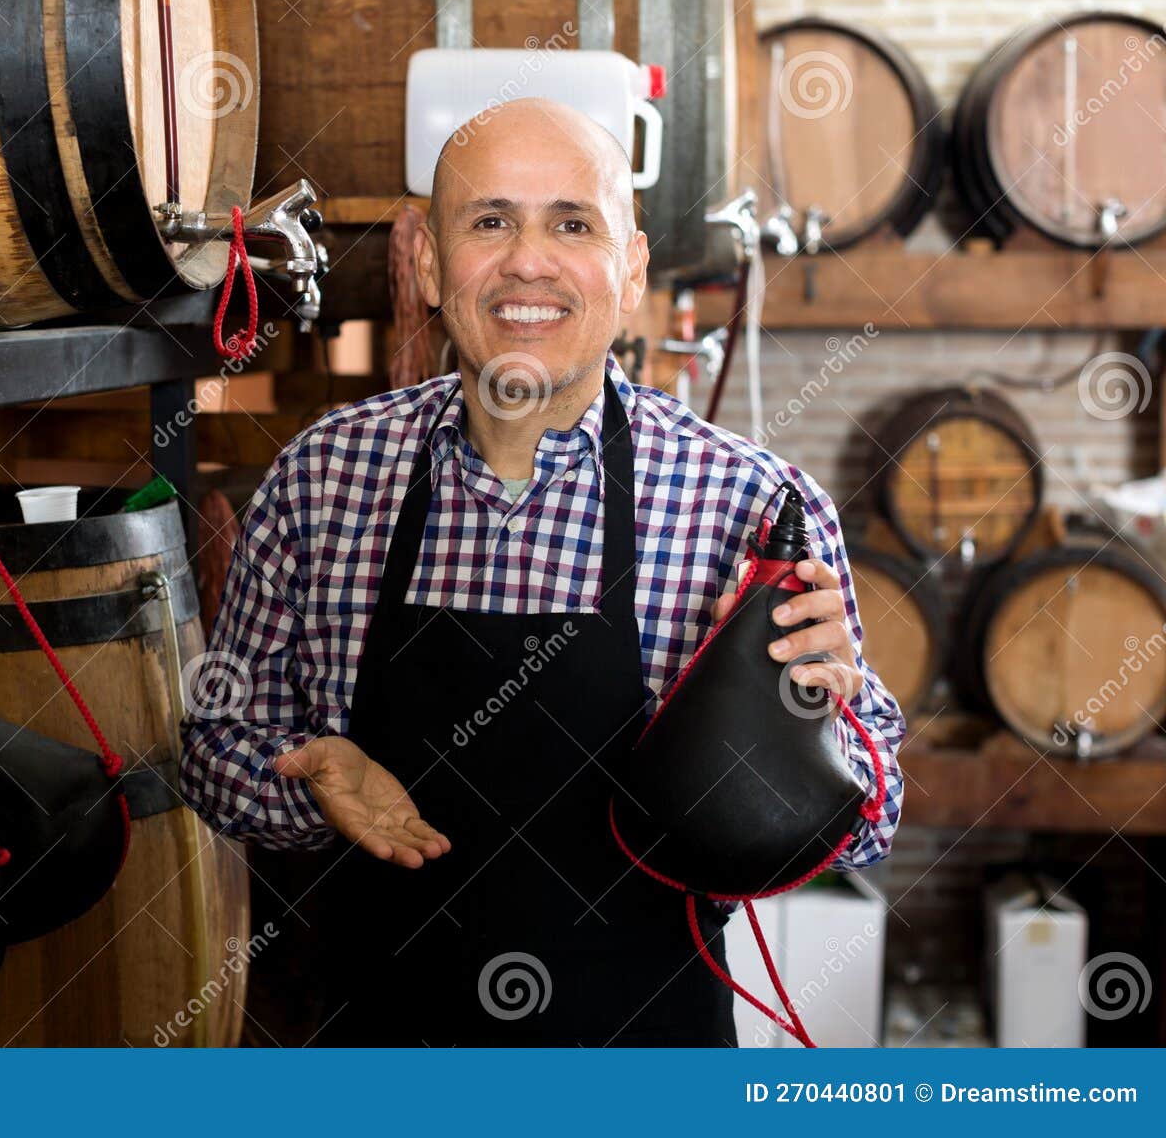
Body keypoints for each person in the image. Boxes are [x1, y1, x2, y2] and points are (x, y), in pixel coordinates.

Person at [180, 97, 904, 1046]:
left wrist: (811, 720)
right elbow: (211, 752)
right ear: (432, 266)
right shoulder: (324, 479)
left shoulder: (749, 509)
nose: (529, 260)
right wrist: (313, 783)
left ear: (631, 268)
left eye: (573, 223)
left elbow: (872, 812)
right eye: (491, 222)